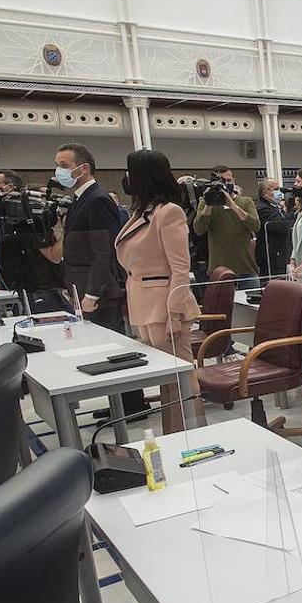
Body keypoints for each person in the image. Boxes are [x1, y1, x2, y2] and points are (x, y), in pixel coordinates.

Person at [114, 150, 206, 434]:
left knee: (181, 377)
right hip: (143, 300)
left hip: (165, 304)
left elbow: (180, 268)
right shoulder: (142, 213)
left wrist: (174, 313)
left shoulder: (169, 212)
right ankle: (176, 436)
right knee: (166, 381)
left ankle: (196, 435)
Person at [55, 143, 127, 329]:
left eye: (64, 166)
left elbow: (103, 251)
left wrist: (92, 293)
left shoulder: (98, 199)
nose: (58, 171)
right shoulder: (79, 198)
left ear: (83, 168)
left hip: (98, 292)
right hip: (79, 285)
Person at [193, 165, 261, 288]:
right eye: (221, 181)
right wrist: (209, 202)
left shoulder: (246, 201)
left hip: (245, 268)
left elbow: (255, 226)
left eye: (228, 180)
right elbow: (198, 229)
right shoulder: (205, 203)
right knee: (221, 307)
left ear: (234, 180)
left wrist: (233, 205)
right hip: (219, 271)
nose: (225, 184)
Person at [254, 177, 292, 279]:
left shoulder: (276, 206)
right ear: (264, 192)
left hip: (281, 253)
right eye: (275, 189)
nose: (279, 192)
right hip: (269, 256)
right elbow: (281, 225)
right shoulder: (262, 208)